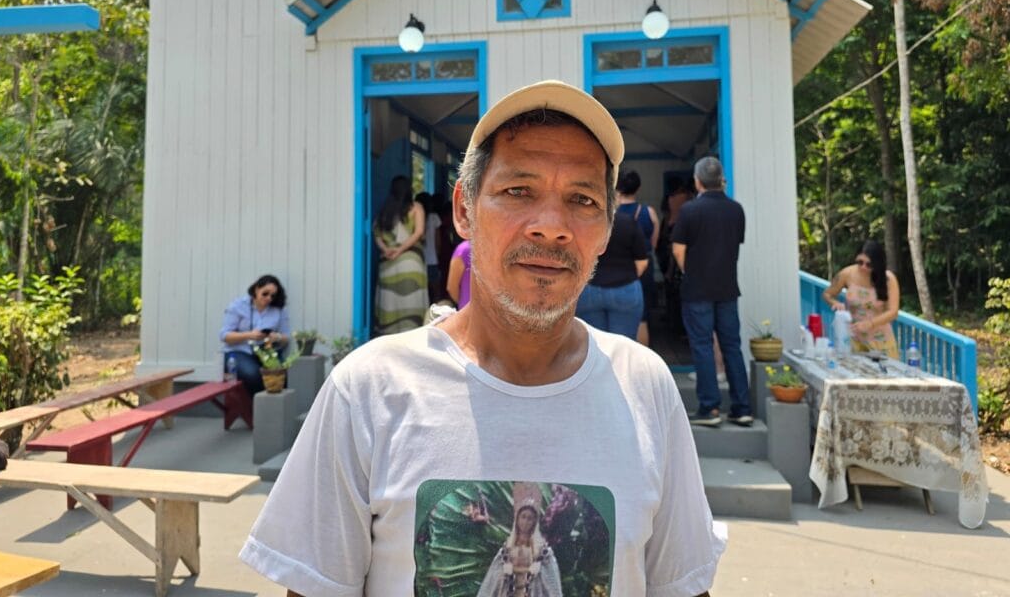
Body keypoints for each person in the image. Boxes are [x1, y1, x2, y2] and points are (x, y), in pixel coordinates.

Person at [240, 80, 723, 596]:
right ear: (464, 210)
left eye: (582, 199)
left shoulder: (645, 387)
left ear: (605, 230)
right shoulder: (367, 391)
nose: (551, 227)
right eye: (519, 191)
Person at [671, 156, 752, 427]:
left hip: (697, 289)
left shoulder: (689, 211)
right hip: (728, 287)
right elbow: (734, 245)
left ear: (697, 181)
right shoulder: (736, 210)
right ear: (721, 180)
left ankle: (710, 408)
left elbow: (678, 250)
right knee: (732, 346)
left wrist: (689, 271)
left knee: (703, 346)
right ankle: (742, 408)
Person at [574, 207, 647, 339]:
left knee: (593, 344)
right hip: (625, 288)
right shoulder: (628, 222)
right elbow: (642, 262)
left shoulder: (583, 223)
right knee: (624, 346)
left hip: (588, 288)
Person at [822, 239, 900, 359]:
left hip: (880, 340)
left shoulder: (888, 279)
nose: (863, 267)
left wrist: (870, 323)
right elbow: (827, 294)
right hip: (854, 339)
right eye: (860, 262)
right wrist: (835, 303)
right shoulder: (847, 273)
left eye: (869, 264)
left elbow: (893, 312)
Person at [477, 494, 561, 597]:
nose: (525, 522)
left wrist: (539, 571)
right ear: (517, 519)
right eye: (523, 517)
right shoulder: (506, 550)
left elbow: (553, 586)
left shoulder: (543, 552)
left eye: (530, 518)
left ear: (534, 522)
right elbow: (492, 580)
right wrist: (504, 572)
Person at [219, 275, 290, 396]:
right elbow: (224, 336)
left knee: (280, 374)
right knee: (253, 374)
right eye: (265, 293)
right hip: (239, 351)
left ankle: (276, 410)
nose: (269, 298)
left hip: (265, 351)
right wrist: (249, 335)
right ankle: (257, 410)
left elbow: (286, 338)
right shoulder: (238, 306)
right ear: (257, 289)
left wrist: (276, 337)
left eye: (273, 296)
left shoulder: (278, 309)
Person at [373, 175, 428, 334]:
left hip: (387, 263)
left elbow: (376, 233)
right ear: (409, 190)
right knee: (411, 302)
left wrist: (386, 249)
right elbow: (418, 232)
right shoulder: (416, 207)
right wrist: (401, 250)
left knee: (391, 303)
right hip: (411, 262)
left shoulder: (385, 210)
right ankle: (412, 335)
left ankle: (389, 336)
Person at [613, 170, 659, 346]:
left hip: (617, 267)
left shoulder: (610, 215)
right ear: (638, 188)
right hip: (644, 266)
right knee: (643, 317)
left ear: (617, 188)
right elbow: (654, 243)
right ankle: (641, 365)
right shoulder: (650, 212)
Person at [417, 191, 445, 303]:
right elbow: (438, 241)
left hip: (419, 259)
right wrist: (438, 254)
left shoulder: (414, 217)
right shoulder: (434, 217)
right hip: (432, 259)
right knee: (435, 291)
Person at [447, 238, 473, 308]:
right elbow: (452, 287)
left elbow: (451, 287)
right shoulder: (465, 249)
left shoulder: (464, 249)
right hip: (468, 311)